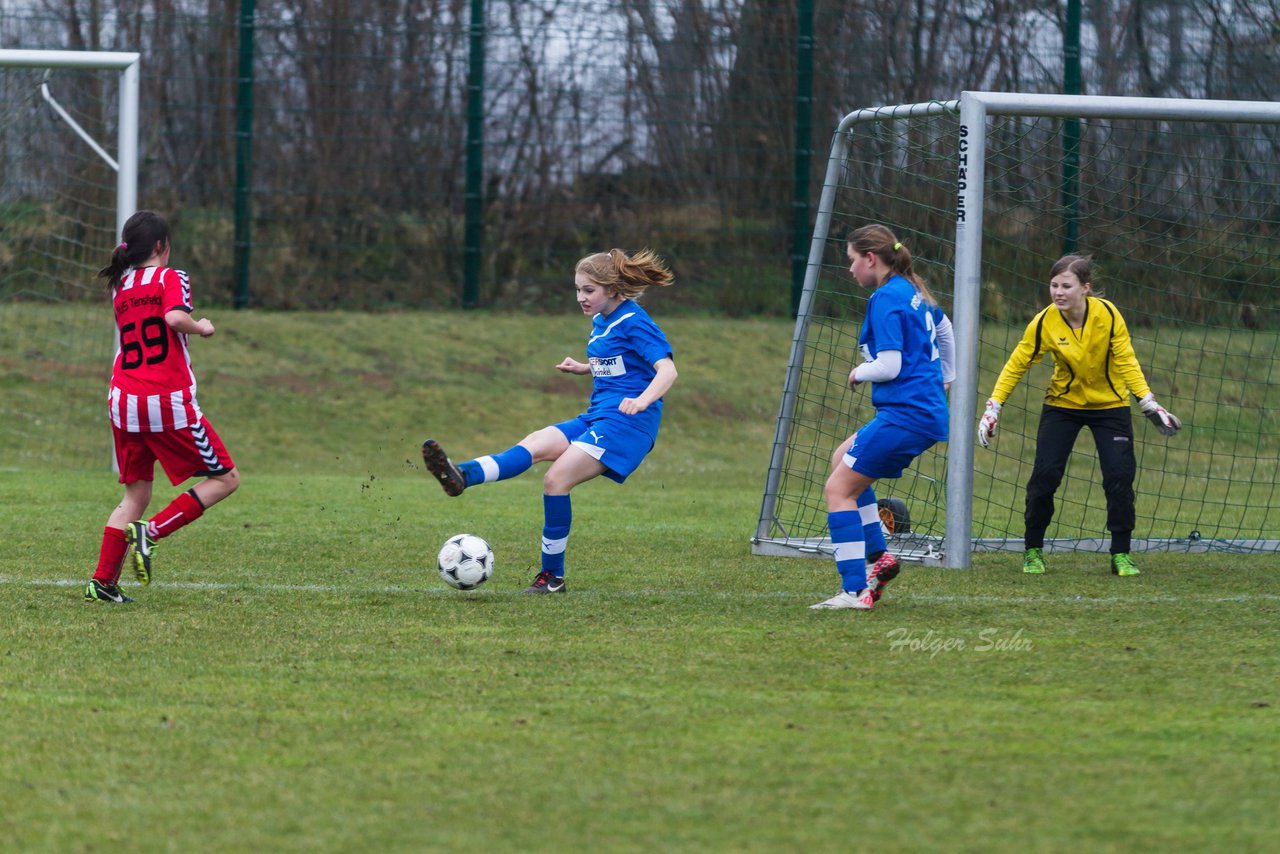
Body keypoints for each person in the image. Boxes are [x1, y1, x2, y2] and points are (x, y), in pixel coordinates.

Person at [422, 248, 677, 593]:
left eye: (589, 290)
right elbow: (624, 363)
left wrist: (642, 400)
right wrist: (585, 367)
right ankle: (461, 475)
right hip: (599, 415)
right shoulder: (603, 320)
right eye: (577, 289)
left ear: (613, 289)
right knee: (536, 442)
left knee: (556, 480)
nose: (581, 298)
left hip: (627, 424)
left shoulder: (634, 321)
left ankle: (551, 577)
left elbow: (667, 370)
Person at [976, 253, 1181, 577]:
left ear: (1085, 288)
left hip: (1110, 407)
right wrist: (994, 405)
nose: (1058, 292)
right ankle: (1033, 550)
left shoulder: (1109, 315)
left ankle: (1121, 554)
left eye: (1066, 286)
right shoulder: (1044, 321)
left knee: (1119, 478)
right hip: (1062, 407)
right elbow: (1017, 363)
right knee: (1045, 477)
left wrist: (1147, 402)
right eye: (1054, 285)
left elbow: (1127, 360)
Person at [84, 210, 240, 603]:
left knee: (135, 496)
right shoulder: (172, 277)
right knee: (225, 479)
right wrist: (202, 326)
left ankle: (101, 582)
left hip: (123, 401)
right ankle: (150, 533)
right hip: (166, 402)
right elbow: (172, 317)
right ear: (160, 246)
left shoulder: (120, 286)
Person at [811, 224, 954, 610]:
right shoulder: (912, 290)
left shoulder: (886, 297)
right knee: (841, 458)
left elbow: (889, 365)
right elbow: (945, 329)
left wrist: (859, 372)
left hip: (906, 415)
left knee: (838, 490)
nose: (851, 269)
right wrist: (947, 379)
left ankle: (854, 591)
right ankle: (879, 557)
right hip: (918, 412)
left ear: (870, 259)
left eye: (852, 261)